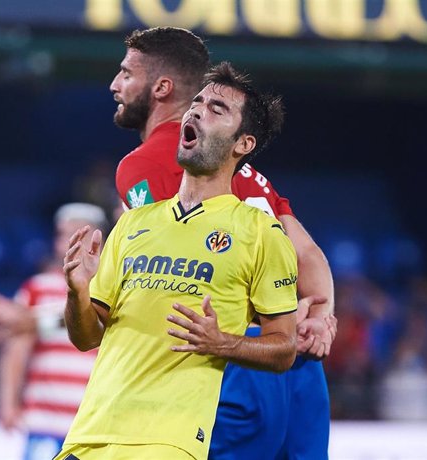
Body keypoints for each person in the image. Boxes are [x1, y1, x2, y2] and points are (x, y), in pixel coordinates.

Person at [108, 27, 335, 459]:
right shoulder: (248, 174)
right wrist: (319, 315)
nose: (115, 85)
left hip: (232, 357)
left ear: (161, 87)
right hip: (297, 362)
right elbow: (307, 252)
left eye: (125, 74)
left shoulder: (141, 166)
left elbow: (167, 273)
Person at [56, 62, 298, 459]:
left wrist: (223, 343)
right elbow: (87, 337)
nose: (197, 110)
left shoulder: (259, 232)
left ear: (244, 144)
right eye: (197, 102)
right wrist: (76, 292)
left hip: (168, 442)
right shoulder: (134, 222)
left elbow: (284, 348)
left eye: (217, 109)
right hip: (88, 435)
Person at [0, 203, 107, 460]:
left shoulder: (108, 288)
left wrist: (31, 319)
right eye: (61, 234)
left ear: (97, 240)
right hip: (45, 420)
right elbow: (17, 348)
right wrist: (8, 403)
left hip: (93, 422)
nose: (66, 242)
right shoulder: (37, 287)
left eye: (75, 234)